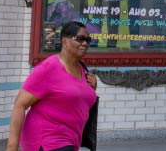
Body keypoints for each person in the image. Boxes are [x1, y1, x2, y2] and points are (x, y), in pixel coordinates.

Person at [6, 21, 98, 151]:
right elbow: (19, 104)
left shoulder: (83, 70)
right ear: (65, 41)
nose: (85, 43)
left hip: (71, 139)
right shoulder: (48, 69)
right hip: (48, 139)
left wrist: (92, 88)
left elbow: (78, 98)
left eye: (88, 40)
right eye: (80, 39)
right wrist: (12, 147)